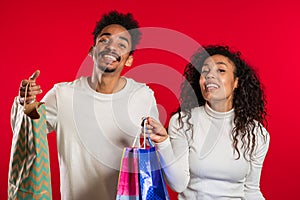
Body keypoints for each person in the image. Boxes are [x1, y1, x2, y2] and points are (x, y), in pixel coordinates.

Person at [11, 11, 160, 200]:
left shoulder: (142, 96)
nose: (112, 47)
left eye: (121, 44)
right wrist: (25, 103)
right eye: (104, 41)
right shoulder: (63, 95)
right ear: (92, 50)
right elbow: (25, 134)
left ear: (129, 59)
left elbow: (156, 155)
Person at [146, 45, 270, 199]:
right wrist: (163, 143)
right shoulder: (183, 122)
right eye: (205, 71)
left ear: (236, 82)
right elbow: (178, 184)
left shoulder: (256, 133)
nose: (210, 75)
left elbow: (251, 190)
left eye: (221, 70)